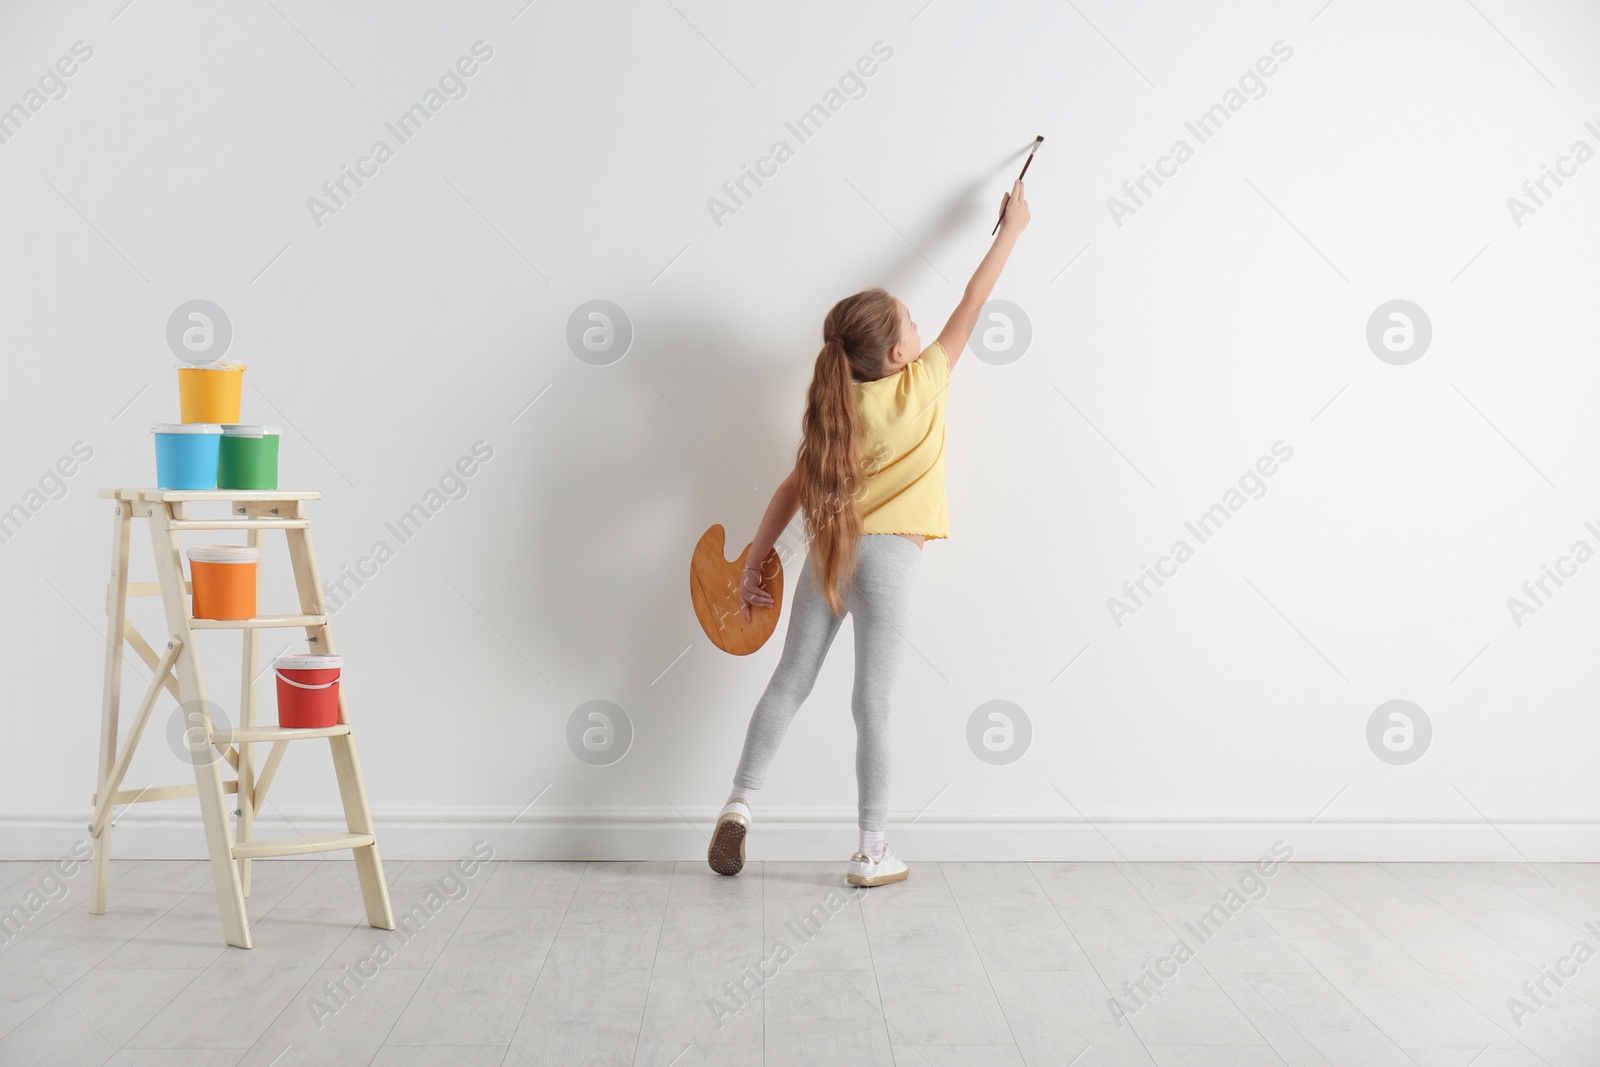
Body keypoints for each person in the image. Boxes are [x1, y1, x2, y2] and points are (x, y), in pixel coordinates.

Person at [708, 179, 1032, 886]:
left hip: (828, 554)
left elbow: (792, 489)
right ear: (893, 356)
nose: (922, 330)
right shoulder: (921, 385)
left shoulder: (834, 407)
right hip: (888, 561)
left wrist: (756, 559)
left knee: (790, 680)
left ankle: (739, 802)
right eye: (911, 324)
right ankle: (871, 849)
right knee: (872, 701)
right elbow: (973, 303)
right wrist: (1010, 231)